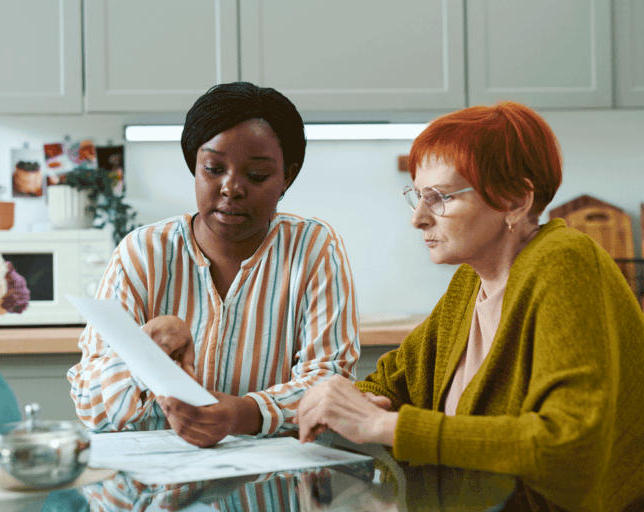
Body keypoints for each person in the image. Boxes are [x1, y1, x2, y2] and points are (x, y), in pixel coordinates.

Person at [295, 101, 644, 512]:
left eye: (440, 197)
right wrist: (351, 399)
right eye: (418, 197)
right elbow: (391, 382)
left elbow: (568, 444)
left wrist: (382, 424)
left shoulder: (565, 260)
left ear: (515, 201)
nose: (419, 219)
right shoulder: (472, 281)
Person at [68, 82, 360, 447]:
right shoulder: (142, 252)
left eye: (256, 176)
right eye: (213, 168)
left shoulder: (313, 248)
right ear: (195, 165)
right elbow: (88, 404)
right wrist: (144, 355)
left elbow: (329, 383)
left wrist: (244, 413)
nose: (231, 188)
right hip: (156, 490)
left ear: (287, 176)